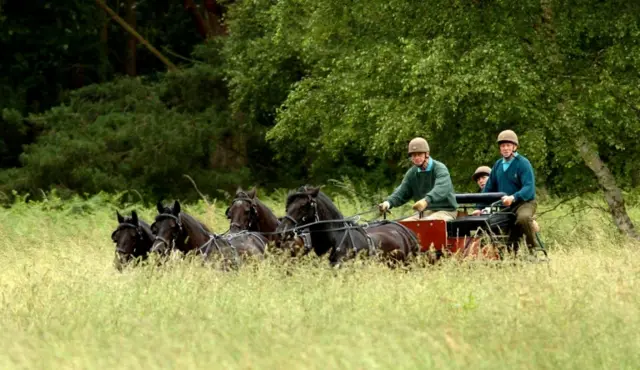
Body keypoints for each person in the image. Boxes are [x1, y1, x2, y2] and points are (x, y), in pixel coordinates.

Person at [472, 130, 539, 250]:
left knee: (523, 219)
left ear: (514, 147)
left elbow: (529, 187)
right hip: (505, 206)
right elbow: (488, 189)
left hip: (524, 203)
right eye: (503, 146)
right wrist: (479, 208)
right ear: (500, 148)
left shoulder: (523, 163)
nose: (505, 148)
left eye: (508, 145)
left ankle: (532, 249)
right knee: (488, 223)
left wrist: (513, 197)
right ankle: (501, 252)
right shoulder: (497, 165)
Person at [378, 137, 458, 221]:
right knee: (404, 226)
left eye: (419, 154)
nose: (416, 157)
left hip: (446, 211)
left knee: (426, 223)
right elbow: (402, 191)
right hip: (424, 212)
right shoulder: (412, 173)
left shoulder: (439, 168)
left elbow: (441, 188)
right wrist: (388, 202)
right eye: (413, 155)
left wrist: (426, 200)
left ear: (427, 154)